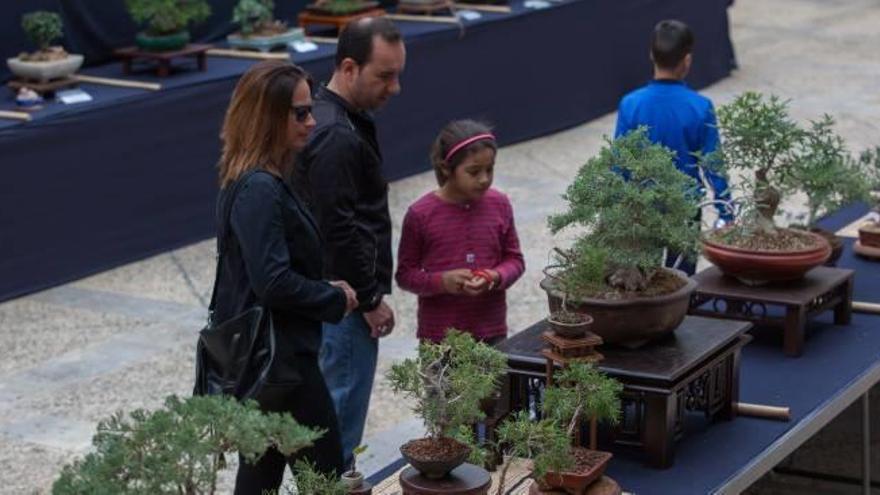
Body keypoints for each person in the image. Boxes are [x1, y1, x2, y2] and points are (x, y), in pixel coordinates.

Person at [212, 60, 359, 494]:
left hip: (269, 364)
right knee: (328, 478)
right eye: (300, 113)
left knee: (260, 477)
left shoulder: (257, 180)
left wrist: (322, 289)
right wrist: (333, 300)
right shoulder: (259, 188)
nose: (311, 120)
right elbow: (272, 282)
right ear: (267, 117)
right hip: (281, 365)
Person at [296, 17, 405, 469]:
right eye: (384, 75)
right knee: (338, 429)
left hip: (335, 298)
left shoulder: (330, 119)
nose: (395, 88)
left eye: (399, 74)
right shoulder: (336, 135)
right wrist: (370, 299)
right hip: (344, 304)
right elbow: (338, 228)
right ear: (348, 67)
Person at [614, 19, 733, 275]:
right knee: (681, 281)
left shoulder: (631, 104)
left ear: (651, 55)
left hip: (641, 208)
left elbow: (619, 163)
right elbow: (714, 163)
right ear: (687, 60)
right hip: (684, 209)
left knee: (640, 280)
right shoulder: (700, 106)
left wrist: (616, 210)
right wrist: (726, 211)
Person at [396, 120, 525, 345]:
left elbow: (515, 260)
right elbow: (406, 275)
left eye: (490, 169)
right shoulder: (420, 214)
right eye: (474, 172)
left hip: (491, 332)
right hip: (441, 339)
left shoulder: (500, 204)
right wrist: (442, 282)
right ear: (446, 168)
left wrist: (494, 277)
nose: (484, 179)